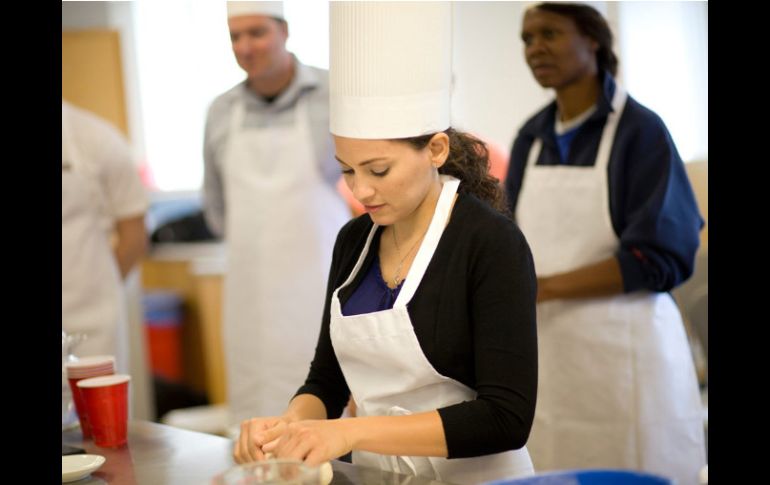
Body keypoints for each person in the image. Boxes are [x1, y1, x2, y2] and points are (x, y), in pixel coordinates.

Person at [233, 3, 538, 484]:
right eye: (347, 170)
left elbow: (506, 417)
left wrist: (351, 435)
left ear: (435, 150)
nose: (361, 191)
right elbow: (326, 381)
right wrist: (291, 425)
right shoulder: (354, 241)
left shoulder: (489, 242)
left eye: (378, 170)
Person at [505, 3, 706, 484]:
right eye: (527, 39)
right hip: (549, 361)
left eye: (549, 33)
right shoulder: (531, 136)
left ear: (593, 38)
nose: (535, 49)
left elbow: (659, 257)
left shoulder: (641, 132)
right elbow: (506, 237)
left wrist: (542, 287)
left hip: (628, 360)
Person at [202, 1, 351, 425]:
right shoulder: (220, 111)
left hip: (320, 280)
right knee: (256, 415)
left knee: (327, 403)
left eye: (257, 33)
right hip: (249, 294)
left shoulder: (334, 93)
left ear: (284, 31)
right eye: (235, 36)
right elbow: (215, 207)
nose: (245, 46)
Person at [61, 100, 149, 374]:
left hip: (91, 324)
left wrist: (98, 291)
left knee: (97, 414)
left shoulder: (96, 139)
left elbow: (134, 236)